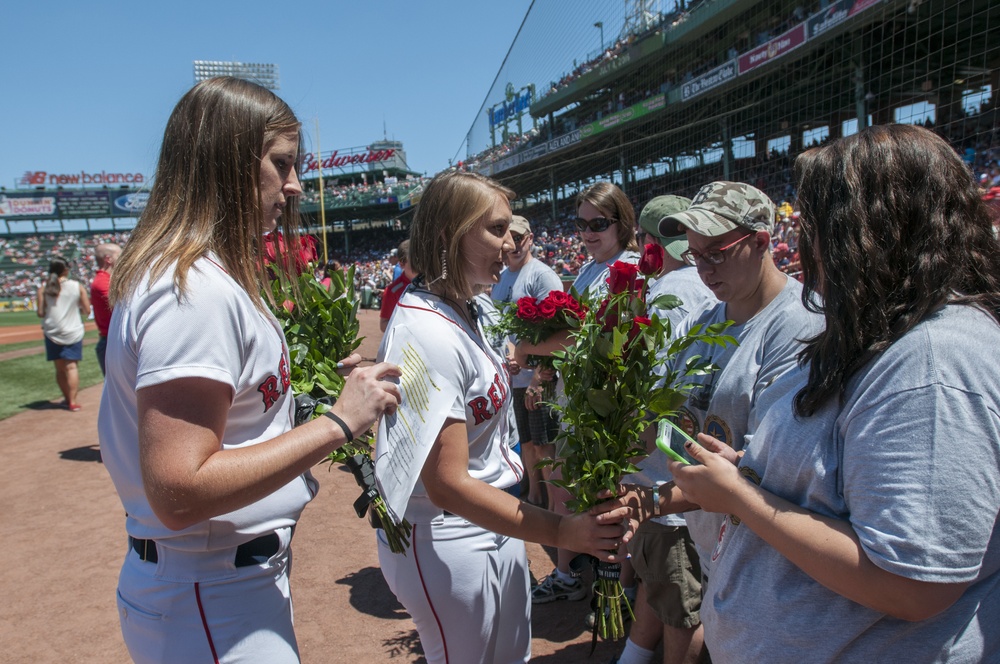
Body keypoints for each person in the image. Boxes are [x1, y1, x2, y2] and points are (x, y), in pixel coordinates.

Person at [661, 124, 1000, 662]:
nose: (807, 245)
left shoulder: (935, 358)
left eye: (817, 226)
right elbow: (848, 482)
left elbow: (912, 584)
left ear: (871, 229)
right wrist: (752, 468)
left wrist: (742, 496)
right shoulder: (888, 331)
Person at [98, 77, 401, 664]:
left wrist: (303, 401)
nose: (294, 186)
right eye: (281, 163)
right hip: (209, 592)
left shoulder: (201, 274)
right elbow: (179, 490)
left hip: (215, 584)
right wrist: (339, 423)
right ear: (227, 163)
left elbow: (232, 420)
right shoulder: (194, 291)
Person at [375, 170, 631, 664]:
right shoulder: (423, 332)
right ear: (450, 235)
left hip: (495, 519)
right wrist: (559, 533)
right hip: (448, 535)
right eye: (495, 229)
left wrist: (606, 341)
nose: (511, 242)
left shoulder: (473, 305)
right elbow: (446, 483)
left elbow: (517, 348)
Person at [514, 181, 641, 605]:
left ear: (622, 223)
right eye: (581, 223)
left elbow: (590, 341)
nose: (587, 232)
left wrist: (528, 349)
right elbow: (567, 338)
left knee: (609, 497)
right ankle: (571, 576)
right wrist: (541, 374)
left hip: (608, 406)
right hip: (575, 401)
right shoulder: (589, 268)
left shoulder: (631, 268)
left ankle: (616, 590)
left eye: (598, 223)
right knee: (566, 489)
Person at [615, 195, 717, 664]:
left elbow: (648, 393)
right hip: (703, 473)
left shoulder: (661, 296)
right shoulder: (714, 286)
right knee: (667, 587)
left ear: (649, 242)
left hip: (663, 481)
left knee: (682, 606)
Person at [491, 215, 564, 508]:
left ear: (531, 239)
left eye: (521, 238)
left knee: (545, 444)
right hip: (514, 376)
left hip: (538, 377)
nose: (515, 245)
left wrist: (540, 375)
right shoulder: (503, 277)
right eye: (511, 238)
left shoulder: (542, 275)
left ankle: (552, 502)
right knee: (529, 443)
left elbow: (560, 329)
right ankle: (535, 494)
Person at [37, 256, 90, 411]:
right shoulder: (76, 286)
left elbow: (41, 312)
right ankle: (73, 401)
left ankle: (67, 399)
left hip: (52, 331)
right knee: (71, 367)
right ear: (66, 269)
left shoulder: (43, 287)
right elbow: (87, 310)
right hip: (73, 330)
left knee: (59, 369)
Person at [90, 242, 121, 375]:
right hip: (112, 342)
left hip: (112, 341)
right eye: (120, 255)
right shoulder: (103, 281)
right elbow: (123, 305)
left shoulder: (107, 279)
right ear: (108, 259)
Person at [378, 239, 415, 332]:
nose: (419, 266)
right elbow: (383, 325)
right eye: (414, 262)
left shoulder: (433, 284)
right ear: (402, 263)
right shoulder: (393, 290)